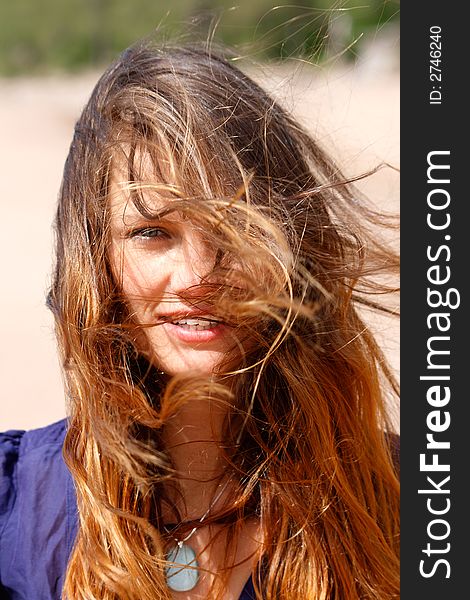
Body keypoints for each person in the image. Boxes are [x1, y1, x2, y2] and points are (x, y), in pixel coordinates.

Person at [0, 40, 399, 600]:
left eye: (234, 229)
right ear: (95, 261)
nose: (198, 276)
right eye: (153, 232)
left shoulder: (400, 499)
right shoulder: (17, 509)